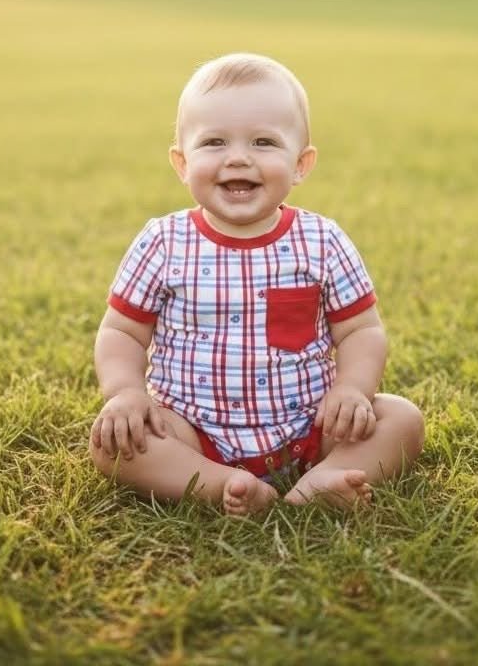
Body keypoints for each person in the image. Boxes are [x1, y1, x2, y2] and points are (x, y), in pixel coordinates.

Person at [90, 53, 424, 515]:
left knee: (401, 418)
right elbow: (122, 331)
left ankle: (326, 476)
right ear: (182, 163)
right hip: (191, 430)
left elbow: (360, 330)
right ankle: (220, 483)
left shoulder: (322, 240)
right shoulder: (163, 242)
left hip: (310, 426)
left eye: (264, 142)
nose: (238, 158)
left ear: (301, 163)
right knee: (114, 445)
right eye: (214, 142)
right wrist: (126, 392)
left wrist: (352, 389)